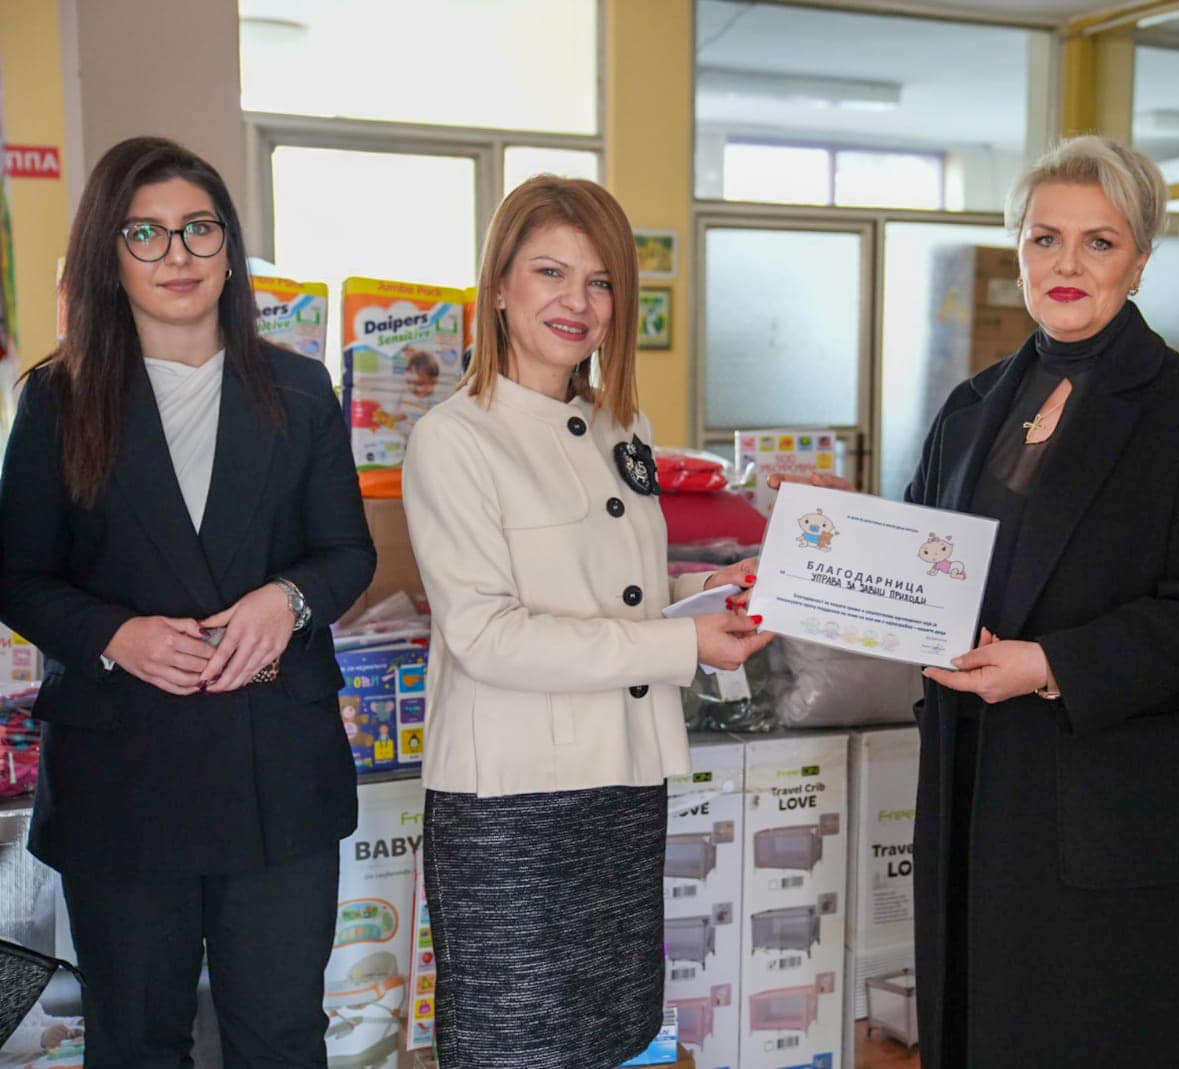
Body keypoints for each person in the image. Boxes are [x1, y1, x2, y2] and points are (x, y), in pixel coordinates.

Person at [0, 136, 376, 1066]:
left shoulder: (298, 388)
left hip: (276, 768)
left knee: (282, 1035)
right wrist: (115, 634)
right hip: (124, 775)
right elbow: (17, 573)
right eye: (147, 233)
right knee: (135, 1040)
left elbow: (347, 552)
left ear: (229, 247)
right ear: (109, 254)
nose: (178, 254)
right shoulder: (59, 397)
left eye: (199, 229)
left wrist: (287, 601)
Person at [906, 135, 1179, 1067]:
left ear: (1140, 260)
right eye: (1045, 238)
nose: (1067, 264)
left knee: (1089, 1032)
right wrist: (831, 548)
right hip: (973, 778)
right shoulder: (974, 403)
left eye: (1099, 242)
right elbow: (922, 555)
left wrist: (1053, 664)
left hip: (1102, 800)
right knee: (979, 1023)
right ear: (1020, 251)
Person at [401, 174, 773, 1069]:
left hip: (625, 780)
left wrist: (708, 586)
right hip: (513, 802)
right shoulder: (454, 437)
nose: (577, 301)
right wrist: (681, 642)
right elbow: (486, 634)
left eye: (600, 281)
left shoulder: (620, 426)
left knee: (611, 1033)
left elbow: (616, 592)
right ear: (499, 286)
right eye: (550, 272)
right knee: (515, 1042)